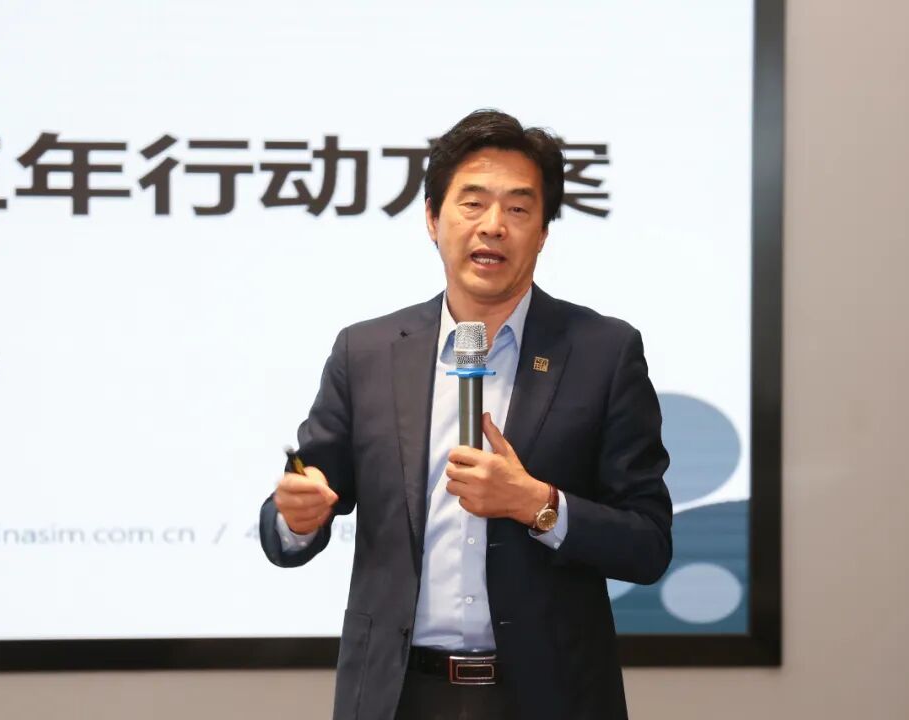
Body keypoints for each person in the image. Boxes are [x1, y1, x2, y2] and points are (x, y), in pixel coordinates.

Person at [259, 109, 673, 720]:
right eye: (473, 203)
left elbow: (648, 543)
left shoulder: (602, 353)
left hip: (549, 697)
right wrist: (296, 518)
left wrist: (539, 504)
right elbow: (300, 503)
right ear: (432, 218)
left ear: (544, 231)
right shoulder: (366, 353)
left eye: (518, 208)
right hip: (399, 695)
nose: (493, 226)